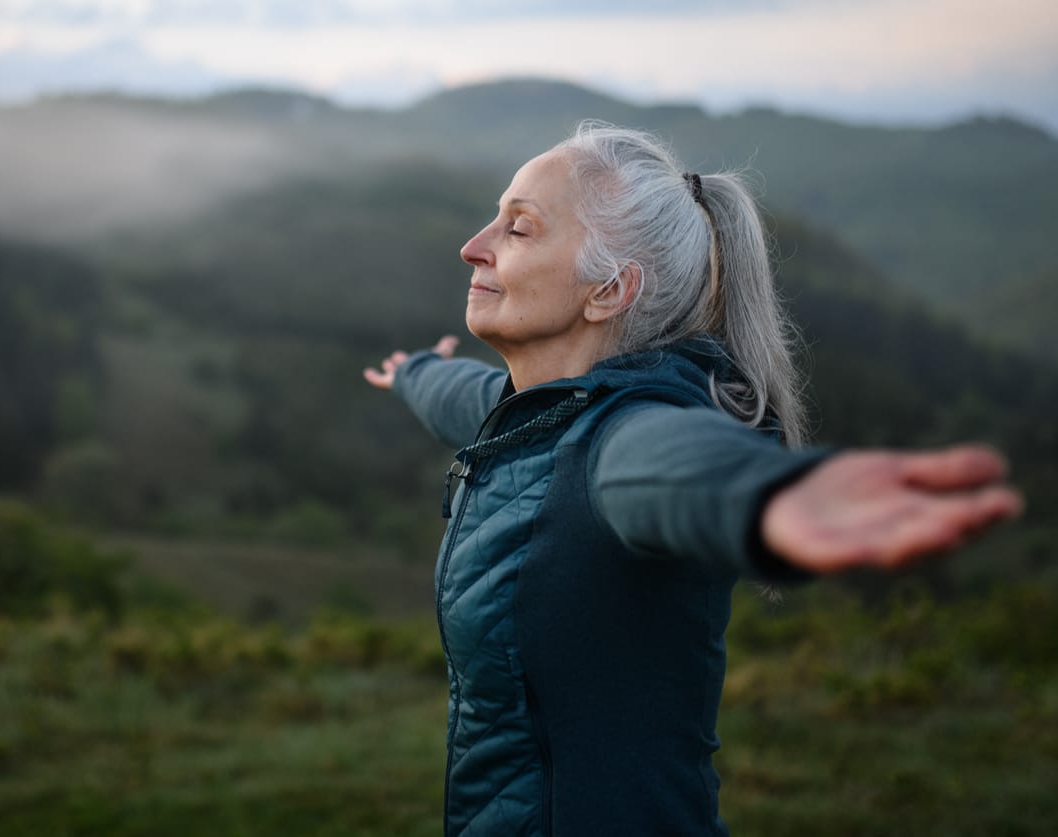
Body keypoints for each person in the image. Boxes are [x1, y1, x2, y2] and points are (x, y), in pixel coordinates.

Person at [362, 122, 1022, 836]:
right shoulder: (535, 413)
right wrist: (415, 374)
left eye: (518, 229)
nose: (474, 244)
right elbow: (471, 399)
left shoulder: (619, 437)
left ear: (610, 290)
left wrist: (768, 496)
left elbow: (676, 464)